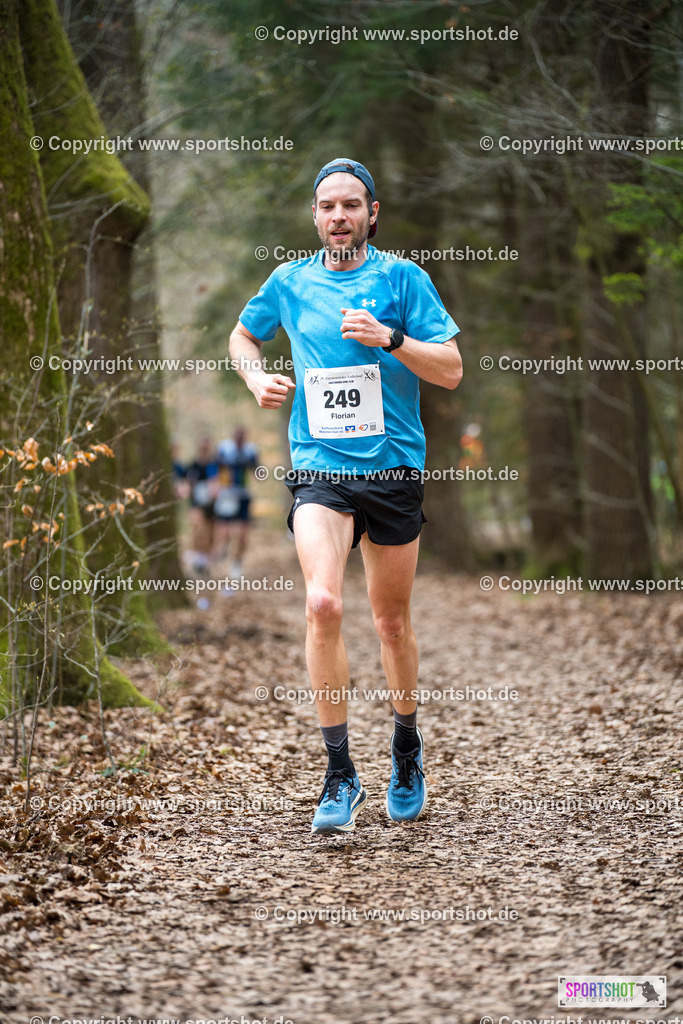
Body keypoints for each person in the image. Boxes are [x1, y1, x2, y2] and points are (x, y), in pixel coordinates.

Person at [229, 157, 462, 835]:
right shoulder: (288, 282)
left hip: (391, 468)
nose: (339, 217)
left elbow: (448, 370)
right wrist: (255, 380)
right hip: (319, 468)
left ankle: (406, 750)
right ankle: (338, 773)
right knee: (322, 602)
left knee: (390, 622)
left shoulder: (401, 279)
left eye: (351, 206)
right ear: (314, 216)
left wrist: (390, 339)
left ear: (371, 213)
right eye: (327, 206)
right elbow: (243, 336)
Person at [214, 426, 259, 579]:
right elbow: (216, 468)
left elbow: (257, 470)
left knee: (241, 535)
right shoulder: (224, 448)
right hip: (226, 495)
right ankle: (222, 553)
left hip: (243, 495)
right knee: (224, 531)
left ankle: (237, 562)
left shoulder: (250, 450)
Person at [185, 436, 218, 574]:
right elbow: (186, 483)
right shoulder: (193, 466)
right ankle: (197, 558)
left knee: (210, 533)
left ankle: (205, 562)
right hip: (197, 503)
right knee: (198, 530)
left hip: (212, 505)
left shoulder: (215, 465)